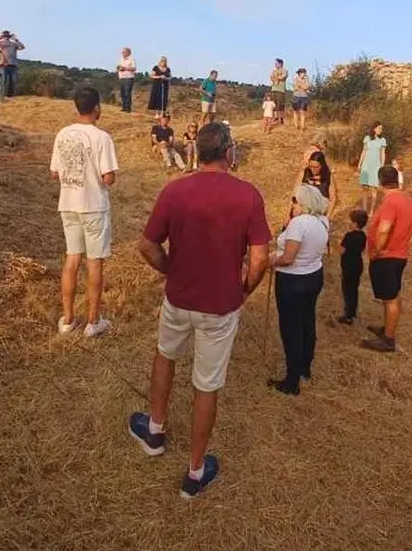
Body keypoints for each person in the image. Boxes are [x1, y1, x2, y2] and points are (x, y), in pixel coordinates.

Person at [129, 122, 271, 499]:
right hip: (220, 306)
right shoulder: (248, 195)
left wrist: (169, 269)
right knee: (206, 384)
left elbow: (147, 246)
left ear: (200, 151)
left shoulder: (175, 190)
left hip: (178, 298)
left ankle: (155, 431)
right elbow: (259, 259)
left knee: (165, 356)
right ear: (228, 152)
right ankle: (194, 472)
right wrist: (244, 290)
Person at [49, 86, 119, 339]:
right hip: (93, 206)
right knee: (94, 263)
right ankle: (93, 320)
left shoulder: (63, 134)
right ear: (97, 108)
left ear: (76, 108)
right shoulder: (102, 137)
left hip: (68, 203)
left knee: (72, 258)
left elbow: (54, 172)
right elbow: (108, 178)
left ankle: (67, 319)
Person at [268, 184, 330, 396]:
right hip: (314, 275)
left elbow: (288, 258)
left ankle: (291, 381)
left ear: (302, 202)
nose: (291, 204)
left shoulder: (298, 224)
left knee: (291, 328)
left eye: (294, 200)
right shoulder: (323, 220)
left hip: (293, 280)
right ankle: (304, 367)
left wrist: (271, 262)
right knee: (306, 321)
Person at [361, 165, 412, 353]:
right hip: (400, 254)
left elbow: (384, 228)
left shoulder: (390, 203)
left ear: (380, 181)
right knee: (391, 296)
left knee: (391, 298)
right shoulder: (407, 199)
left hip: (388, 256)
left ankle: (388, 340)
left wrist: (377, 250)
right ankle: (387, 328)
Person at [337, 208, 368, 325]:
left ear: (354, 223)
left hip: (348, 266)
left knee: (347, 290)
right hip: (358, 265)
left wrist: (338, 244)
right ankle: (352, 312)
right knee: (354, 290)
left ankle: (348, 316)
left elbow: (341, 251)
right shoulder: (363, 235)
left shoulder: (349, 236)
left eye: (350, 221)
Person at [296, 150, 338, 219]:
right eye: (311, 166)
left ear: (322, 165)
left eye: (316, 167)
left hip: (320, 210)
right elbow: (295, 194)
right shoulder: (304, 173)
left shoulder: (328, 176)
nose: (313, 169)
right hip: (303, 211)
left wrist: (327, 218)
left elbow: (332, 199)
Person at [356, 121, 387, 213]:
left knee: (374, 189)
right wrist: (359, 165)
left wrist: (382, 166)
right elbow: (364, 152)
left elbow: (383, 154)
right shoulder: (367, 138)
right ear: (374, 128)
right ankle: (365, 209)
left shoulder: (382, 140)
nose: (381, 130)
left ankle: (371, 211)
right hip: (366, 165)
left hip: (376, 166)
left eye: (381, 128)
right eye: (379, 128)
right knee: (365, 188)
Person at [0, 30, 25, 98]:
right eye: (4, 36)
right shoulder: (0, 43)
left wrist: (16, 40)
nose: (6, 37)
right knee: (3, 80)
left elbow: (22, 47)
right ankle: (2, 95)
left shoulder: (13, 44)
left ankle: (10, 96)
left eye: (7, 36)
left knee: (13, 81)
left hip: (13, 64)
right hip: (4, 64)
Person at [116, 47, 137, 112]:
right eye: (122, 52)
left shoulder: (131, 59)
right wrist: (119, 68)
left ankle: (128, 108)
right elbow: (118, 67)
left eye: (124, 52)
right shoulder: (121, 59)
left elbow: (133, 68)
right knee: (122, 93)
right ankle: (124, 107)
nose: (123, 53)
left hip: (128, 78)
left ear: (128, 53)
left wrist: (124, 68)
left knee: (127, 93)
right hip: (122, 78)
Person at [269, 58, 287, 126]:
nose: (275, 64)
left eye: (276, 63)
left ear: (280, 64)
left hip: (280, 90)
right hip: (274, 89)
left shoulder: (284, 70)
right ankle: (276, 117)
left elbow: (283, 77)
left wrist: (276, 77)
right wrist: (277, 77)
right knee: (274, 104)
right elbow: (271, 77)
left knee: (280, 104)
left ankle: (281, 118)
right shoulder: (274, 71)